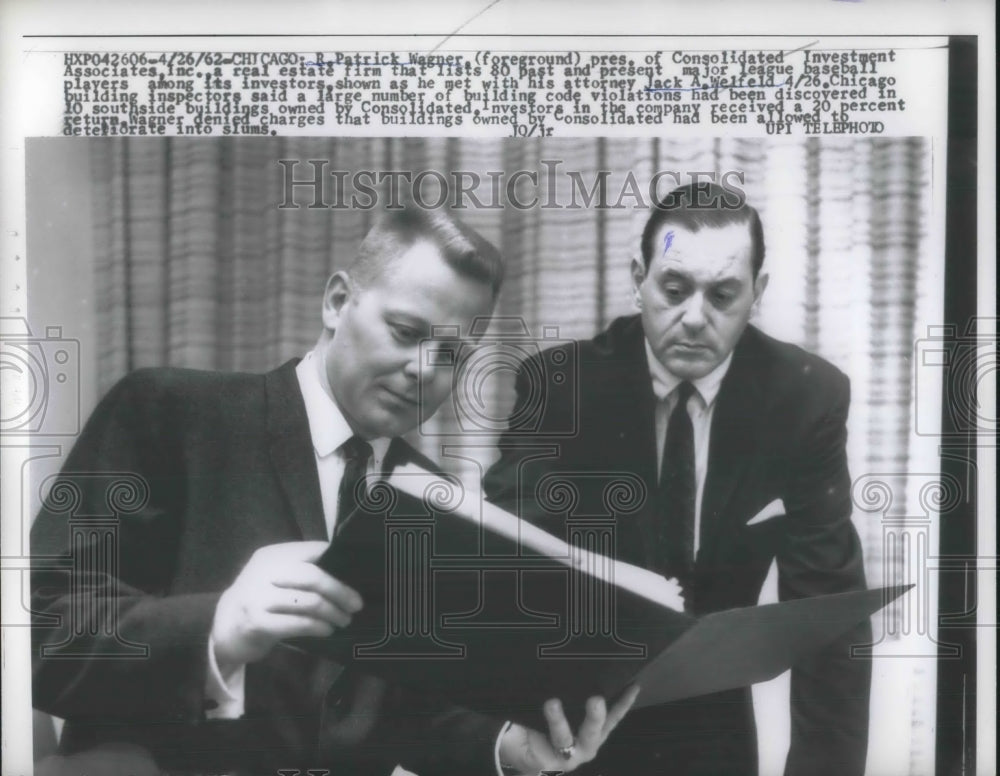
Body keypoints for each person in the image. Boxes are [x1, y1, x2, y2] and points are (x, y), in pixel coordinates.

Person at [30, 204, 637, 776]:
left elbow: (407, 710)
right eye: (406, 331)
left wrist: (509, 747)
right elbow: (40, 628)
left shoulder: (435, 497)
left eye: (452, 354)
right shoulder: (167, 412)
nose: (424, 370)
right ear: (337, 301)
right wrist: (218, 627)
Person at [483, 182, 872, 776]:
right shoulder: (561, 386)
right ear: (638, 280)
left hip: (715, 736)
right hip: (569, 726)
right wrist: (504, 743)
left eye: (722, 295)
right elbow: (504, 566)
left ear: (757, 293)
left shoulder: (805, 398)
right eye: (674, 289)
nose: (694, 317)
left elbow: (829, 619)